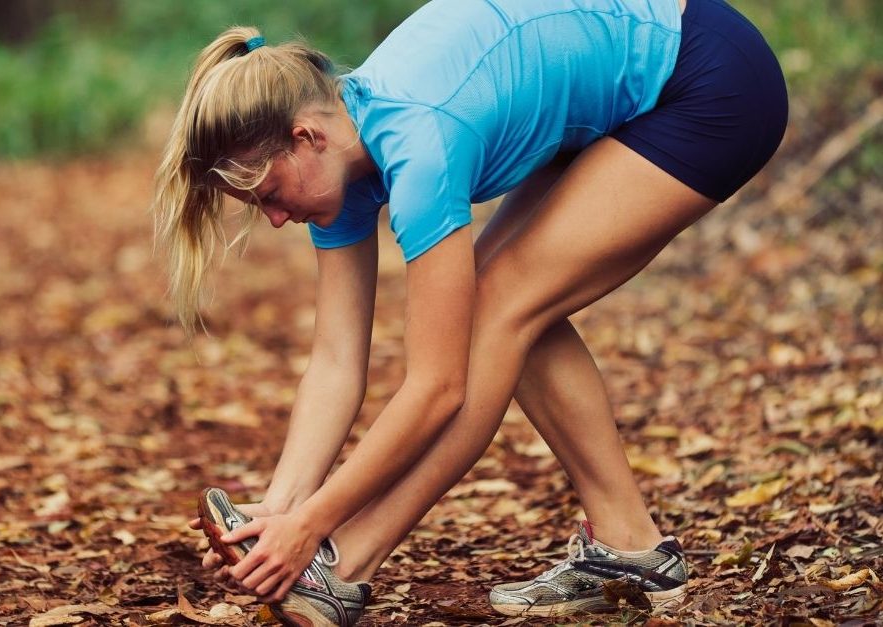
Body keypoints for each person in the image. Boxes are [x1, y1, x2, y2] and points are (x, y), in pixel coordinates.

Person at [154, 0, 787, 623]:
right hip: (626, 86)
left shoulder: (417, 143)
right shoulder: (340, 160)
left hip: (709, 77)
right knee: (504, 299)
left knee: (501, 304)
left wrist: (314, 525)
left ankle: (345, 568)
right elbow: (336, 361)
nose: (274, 218)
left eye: (268, 195)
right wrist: (280, 511)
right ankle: (631, 549)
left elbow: (437, 387)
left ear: (306, 138)